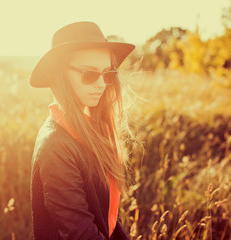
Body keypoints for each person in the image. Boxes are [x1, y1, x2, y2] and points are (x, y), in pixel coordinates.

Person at [30, 21, 137, 240]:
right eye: (89, 74)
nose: (102, 84)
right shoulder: (55, 146)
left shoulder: (89, 129)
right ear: (61, 75)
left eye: (108, 74)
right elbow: (80, 232)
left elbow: (109, 222)